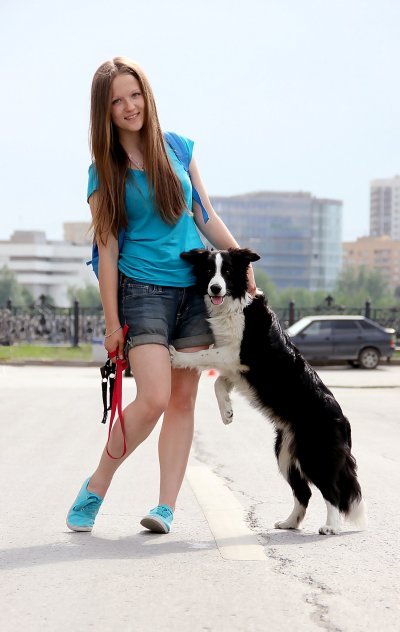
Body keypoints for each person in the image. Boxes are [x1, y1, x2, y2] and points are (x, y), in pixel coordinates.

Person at [66, 56, 256, 534]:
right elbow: (107, 250)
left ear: (147, 96)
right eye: (118, 101)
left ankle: (165, 507)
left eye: (136, 95)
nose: (130, 106)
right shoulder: (103, 171)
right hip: (142, 290)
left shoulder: (178, 148)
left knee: (182, 401)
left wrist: (240, 260)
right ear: (105, 111)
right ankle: (97, 484)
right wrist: (112, 323)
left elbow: (204, 214)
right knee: (153, 397)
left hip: (195, 289)